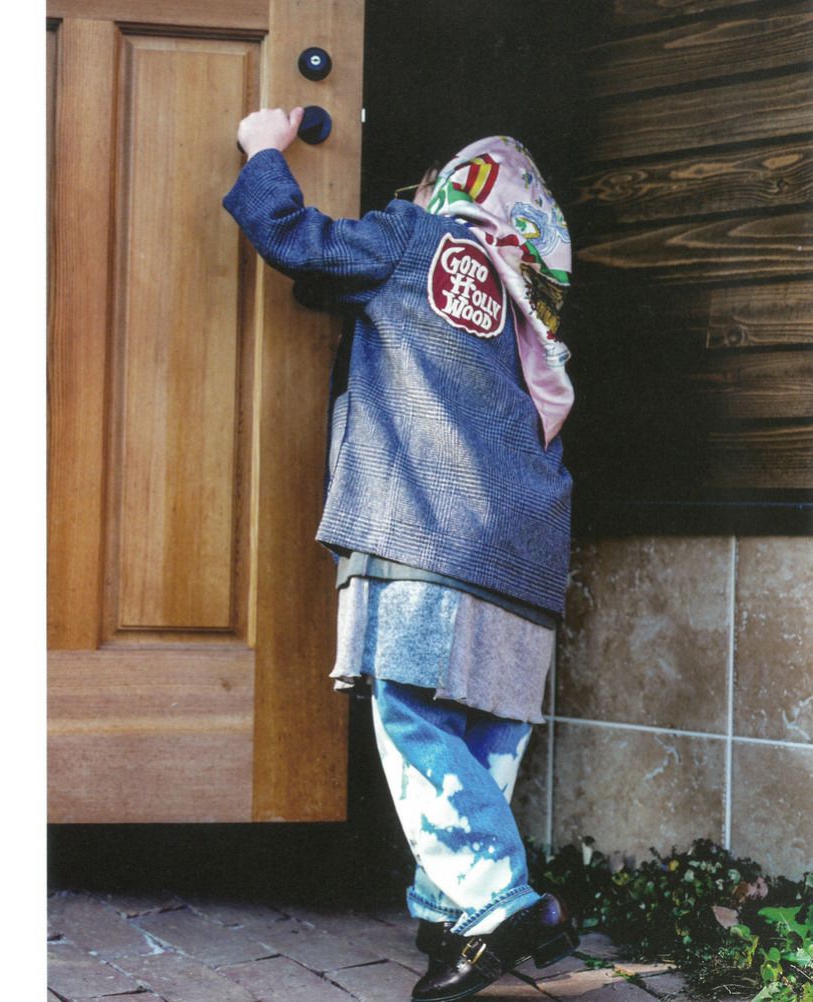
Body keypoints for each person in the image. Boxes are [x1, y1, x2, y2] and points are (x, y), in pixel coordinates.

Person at [224, 107, 579, 1002]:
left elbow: (298, 241)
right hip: (526, 554)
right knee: (482, 733)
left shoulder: (412, 240)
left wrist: (263, 148)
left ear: (445, 192)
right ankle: (450, 913)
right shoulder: (525, 303)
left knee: (413, 717)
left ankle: (497, 901)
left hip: (429, 530)